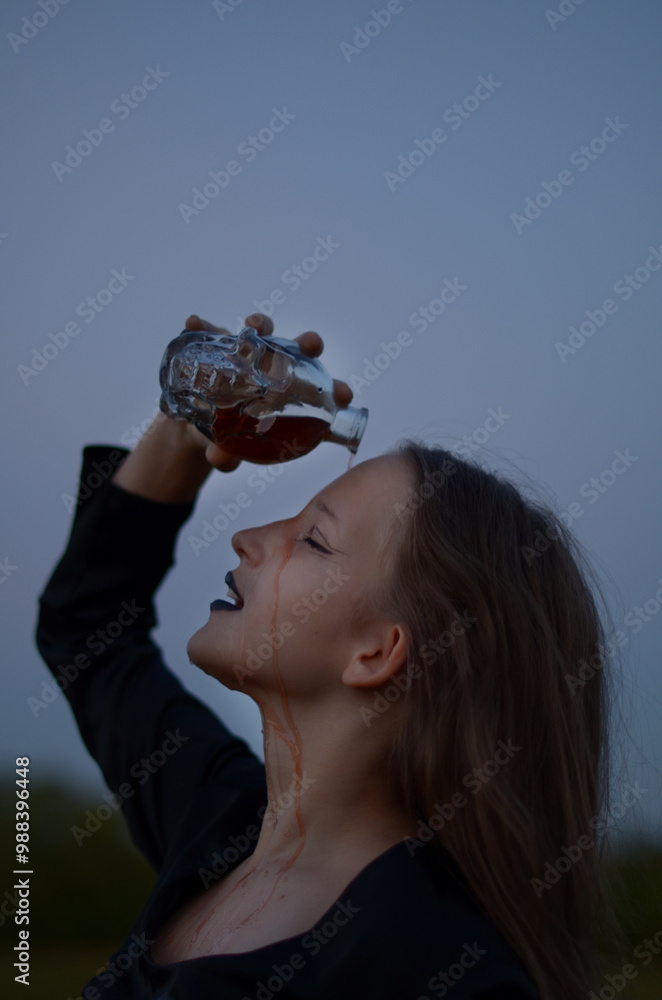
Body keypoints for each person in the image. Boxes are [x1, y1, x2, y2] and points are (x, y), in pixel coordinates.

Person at [36, 312, 618, 1000]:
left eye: (313, 539)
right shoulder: (219, 824)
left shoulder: (448, 973)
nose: (248, 537)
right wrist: (183, 431)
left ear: (376, 652)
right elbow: (89, 629)